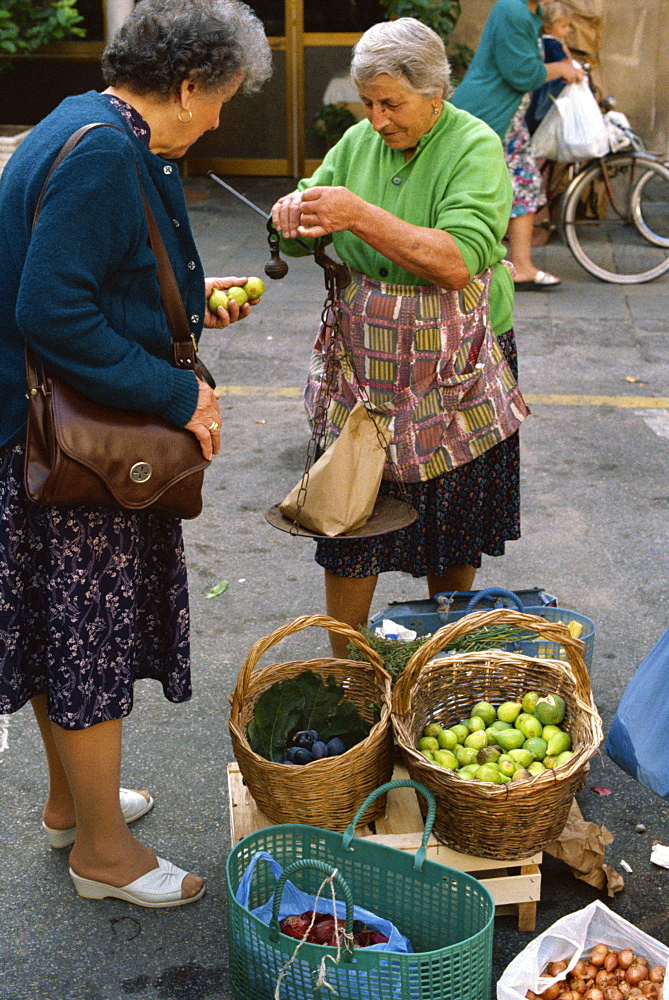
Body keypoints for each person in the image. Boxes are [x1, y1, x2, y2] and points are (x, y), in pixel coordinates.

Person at [0, 0, 270, 907]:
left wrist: (185, 312)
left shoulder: (84, 119)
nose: (222, 118)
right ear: (188, 84)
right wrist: (179, 391)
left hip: (31, 433)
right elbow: (51, 309)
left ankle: (70, 803)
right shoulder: (111, 154)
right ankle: (104, 858)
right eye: (223, 99)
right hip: (66, 445)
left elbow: (91, 277)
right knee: (86, 640)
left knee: (55, 632)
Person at [271, 18, 530, 659]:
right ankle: (350, 671)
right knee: (350, 512)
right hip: (367, 363)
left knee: (455, 516)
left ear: (435, 91)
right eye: (368, 102)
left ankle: (441, 653)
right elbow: (308, 214)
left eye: (392, 102)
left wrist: (356, 213)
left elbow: (456, 260)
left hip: (458, 362)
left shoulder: (474, 146)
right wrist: (291, 217)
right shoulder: (358, 145)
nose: (378, 118)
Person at [451, 0, 584, 290]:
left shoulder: (529, 12)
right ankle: (465, 263)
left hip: (509, 120)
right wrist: (561, 68)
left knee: (525, 186)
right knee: (477, 188)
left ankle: (520, 266)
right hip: (489, 115)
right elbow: (522, 73)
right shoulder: (512, 9)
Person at [526, 2, 574, 135]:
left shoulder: (540, 41)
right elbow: (568, 65)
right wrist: (564, 45)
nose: (568, 30)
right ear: (547, 28)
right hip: (549, 91)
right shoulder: (553, 44)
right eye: (564, 26)